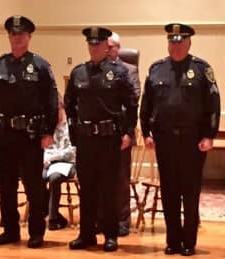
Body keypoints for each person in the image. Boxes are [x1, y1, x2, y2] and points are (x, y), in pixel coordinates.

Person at [140, 23, 220, 256]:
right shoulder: (157, 69)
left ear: (189, 43)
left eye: (180, 41)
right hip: (165, 142)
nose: (176, 46)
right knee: (169, 193)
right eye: (172, 41)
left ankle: (189, 242)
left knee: (190, 192)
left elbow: (213, 105)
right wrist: (146, 132)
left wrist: (209, 135)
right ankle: (172, 241)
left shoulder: (202, 69)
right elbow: (147, 105)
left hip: (192, 143)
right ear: (168, 43)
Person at [0, 15, 58, 248]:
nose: (17, 38)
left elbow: (52, 101)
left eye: (21, 34)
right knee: (6, 185)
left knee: (34, 186)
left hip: (31, 136)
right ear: (9, 37)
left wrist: (48, 132)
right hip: (6, 135)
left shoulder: (40, 65)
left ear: (29, 37)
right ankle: (10, 230)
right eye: (13, 34)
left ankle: (36, 232)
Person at [65, 27, 138, 252]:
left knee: (109, 189)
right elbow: (69, 105)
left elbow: (131, 103)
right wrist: (74, 134)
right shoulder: (78, 73)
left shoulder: (118, 72)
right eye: (91, 44)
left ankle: (110, 234)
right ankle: (86, 234)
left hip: (109, 139)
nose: (94, 48)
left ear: (107, 46)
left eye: (98, 44)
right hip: (86, 139)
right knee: (86, 189)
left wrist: (128, 132)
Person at [106, 32, 141, 236]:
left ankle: (122, 221)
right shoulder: (97, 68)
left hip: (121, 132)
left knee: (120, 180)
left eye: (111, 47)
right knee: (102, 179)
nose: (107, 50)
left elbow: (133, 98)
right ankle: (102, 220)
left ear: (118, 48)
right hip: (101, 134)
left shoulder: (130, 70)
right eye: (106, 46)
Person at [42, 94, 76, 231]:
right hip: (50, 163)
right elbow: (45, 146)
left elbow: (71, 151)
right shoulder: (49, 125)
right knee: (35, 177)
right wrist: (45, 158)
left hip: (68, 163)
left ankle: (53, 218)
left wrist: (52, 158)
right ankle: (47, 210)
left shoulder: (71, 124)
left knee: (54, 178)